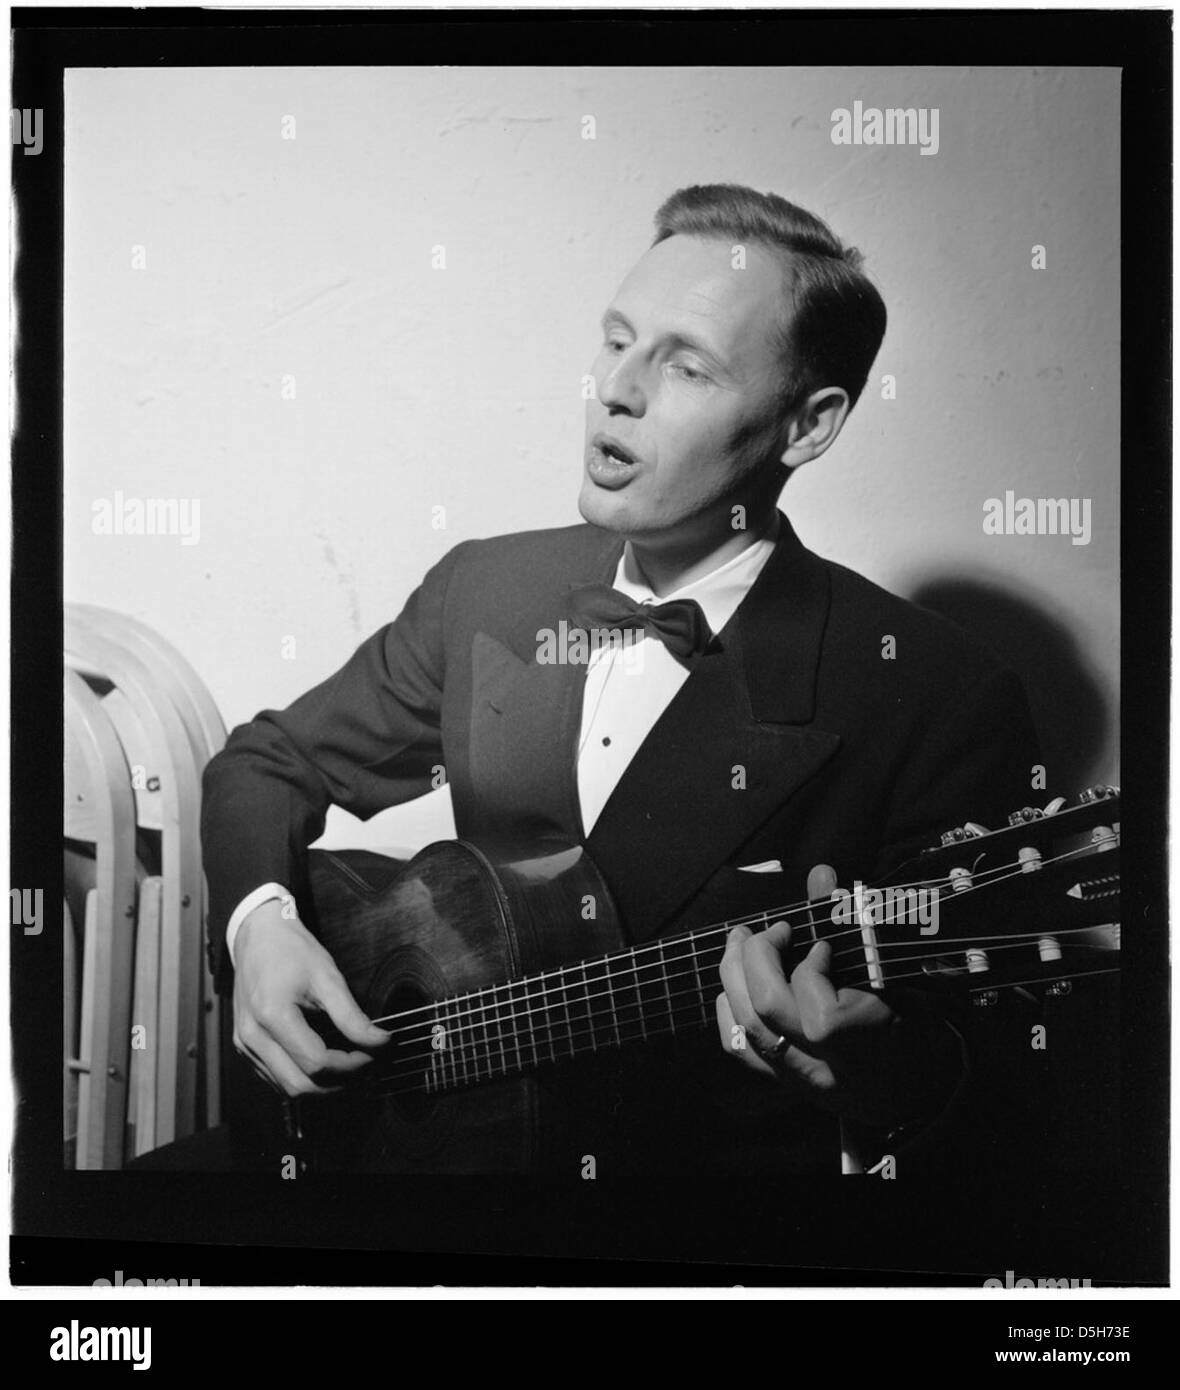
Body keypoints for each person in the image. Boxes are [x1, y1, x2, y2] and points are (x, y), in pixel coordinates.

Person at [201, 183, 1040, 1175]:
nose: (617, 389)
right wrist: (262, 925)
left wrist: (873, 1072)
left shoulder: (938, 692)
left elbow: (989, 1077)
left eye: (685, 365)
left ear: (806, 427)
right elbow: (266, 761)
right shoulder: (488, 590)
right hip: (433, 1164)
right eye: (615, 340)